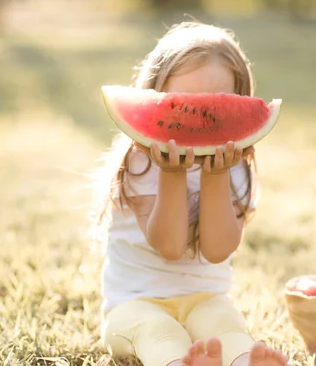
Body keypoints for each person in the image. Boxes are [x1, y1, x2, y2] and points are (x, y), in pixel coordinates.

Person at [92, 20, 289, 366]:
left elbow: (216, 250)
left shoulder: (238, 168)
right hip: (134, 305)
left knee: (226, 326)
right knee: (158, 332)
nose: (198, 119)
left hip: (205, 299)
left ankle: (245, 362)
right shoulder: (139, 164)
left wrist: (216, 177)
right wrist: (171, 171)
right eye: (181, 106)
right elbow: (170, 246)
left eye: (214, 109)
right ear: (155, 91)